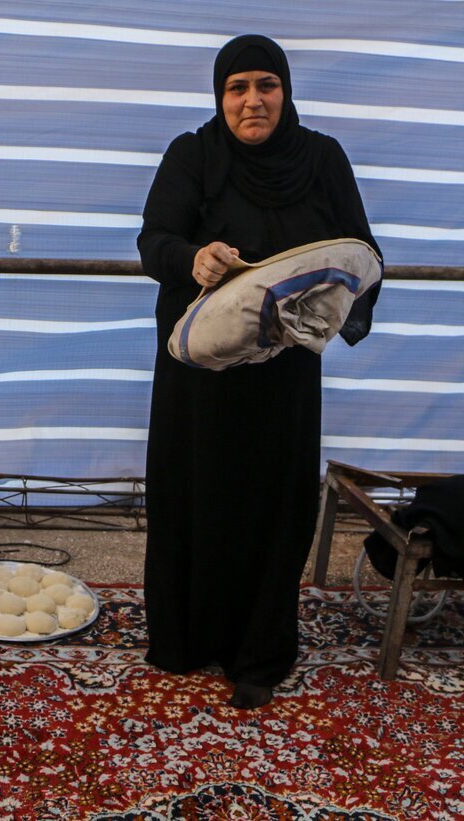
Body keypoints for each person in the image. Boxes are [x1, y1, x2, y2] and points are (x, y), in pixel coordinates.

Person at [137, 35, 381, 708]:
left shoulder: (322, 158)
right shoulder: (195, 154)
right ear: (220, 95)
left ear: (286, 91)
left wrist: (326, 305)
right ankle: (186, 640)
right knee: (197, 496)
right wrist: (194, 260)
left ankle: (259, 653)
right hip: (202, 378)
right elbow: (154, 240)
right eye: (238, 87)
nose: (252, 100)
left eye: (266, 85)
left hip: (284, 376)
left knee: (273, 504)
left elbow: (363, 252)